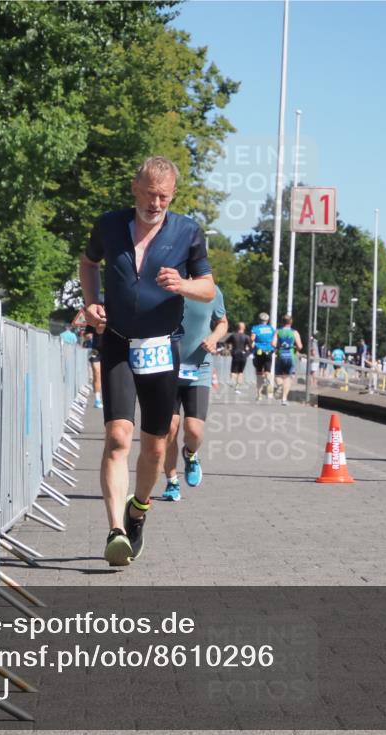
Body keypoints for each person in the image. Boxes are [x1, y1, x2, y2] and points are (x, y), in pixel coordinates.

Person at [79, 156, 215, 566]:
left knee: (155, 449)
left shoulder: (188, 232)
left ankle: (137, 511)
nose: (156, 203)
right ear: (135, 188)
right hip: (118, 341)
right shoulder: (108, 225)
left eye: (164, 196)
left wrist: (184, 284)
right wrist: (90, 303)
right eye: (149, 194)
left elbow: (208, 288)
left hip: (160, 346)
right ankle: (115, 531)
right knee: (119, 437)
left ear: (172, 196)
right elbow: (89, 263)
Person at [162, 286, 227, 501]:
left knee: (194, 430)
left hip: (199, 368)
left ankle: (190, 454)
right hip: (166, 367)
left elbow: (222, 322)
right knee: (170, 428)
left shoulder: (210, 291)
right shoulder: (166, 287)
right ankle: (171, 481)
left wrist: (214, 337)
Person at [271, 314, 303, 405]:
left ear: (282, 322)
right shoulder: (294, 332)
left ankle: (279, 385)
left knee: (278, 375)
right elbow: (300, 346)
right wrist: (295, 348)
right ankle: (284, 399)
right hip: (290, 356)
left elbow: (273, 344)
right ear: (291, 322)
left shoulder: (278, 331)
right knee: (288, 378)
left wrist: (278, 347)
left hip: (281, 355)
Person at [250, 312, 276, 401]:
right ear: (267, 320)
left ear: (259, 320)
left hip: (259, 351)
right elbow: (274, 340)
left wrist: (251, 344)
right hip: (269, 351)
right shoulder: (271, 329)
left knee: (259, 374)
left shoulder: (256, 328)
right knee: (268, 372)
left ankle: (259, 394)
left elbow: (252, 338)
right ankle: (269, 390)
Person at [224, 321, 251, 393]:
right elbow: (251, 347)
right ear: (244, 328)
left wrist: (228, 349)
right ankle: (237, 388)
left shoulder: (233, 335)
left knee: (233, 371)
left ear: (237, 327)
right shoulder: (246, 337)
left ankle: (232, 381)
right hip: (243, 354)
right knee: (241, 372)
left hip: (235, 354)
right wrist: (247, 353)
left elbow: (226, 342)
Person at [84, 327, 102, 408]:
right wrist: (89, 336)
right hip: (95, 350)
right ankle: (97, 400)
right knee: (96, 373)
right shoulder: (94, 316)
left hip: (109, 349)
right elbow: (86, 334)